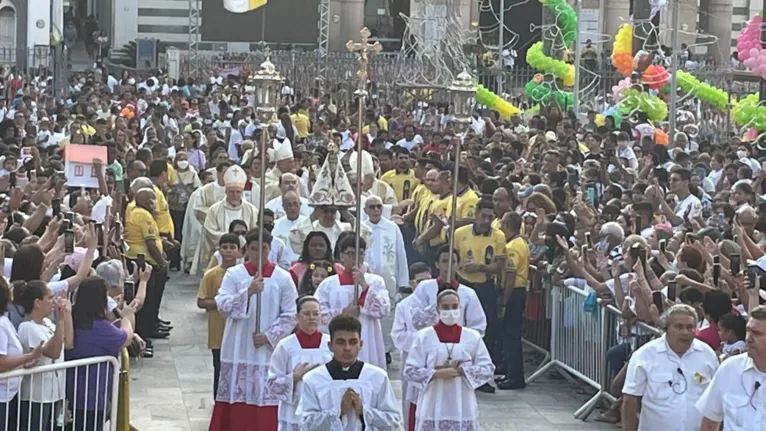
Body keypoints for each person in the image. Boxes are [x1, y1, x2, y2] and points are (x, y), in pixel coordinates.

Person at [210, 229, 298, 430]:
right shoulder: (234, 274)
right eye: (254, 248)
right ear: (246, 249)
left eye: (264, 249)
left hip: (267, 348)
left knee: (265, 395)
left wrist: (269, 336)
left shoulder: (283, 277)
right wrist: (248, 292)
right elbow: (223, 306)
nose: (259, 253)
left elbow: (292, 313)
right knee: (236, 393)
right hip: (238, 343)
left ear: (270, 248)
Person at [404, 289, 495, 430]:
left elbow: (487, 368)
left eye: (454, 306)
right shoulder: (424, 336)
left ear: (460, 308)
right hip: (433, 402)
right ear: (437, 309)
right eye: (445, 307)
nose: (450, 311)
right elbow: (410, 370)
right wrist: (435, 374)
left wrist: (462, 371)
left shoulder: (472, 336)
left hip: (462, 402)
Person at [621, 304, 719, 431]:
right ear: (667, 328)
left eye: (690, 327)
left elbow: (717, 400)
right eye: (679, 327)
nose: (685, 332)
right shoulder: (645, 355)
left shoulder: (707, 355)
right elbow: (630, 400)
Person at [297, 314, 400, 430]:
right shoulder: (313, 379)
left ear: (360, 345)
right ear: (330, 346)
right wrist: (338, 412)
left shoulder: (377, 377)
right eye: (341, 342)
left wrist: (364, 411)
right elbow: (305, 425)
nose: (347, 348)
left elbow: (394, 421)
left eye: (353, 342)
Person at [67, 277, 136, 431]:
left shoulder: (73, 318)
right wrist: (126, 317)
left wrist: (119, 314)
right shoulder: (99, 327)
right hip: (91, 395)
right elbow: (125, 338)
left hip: (72, 390)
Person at [314, 236, 390, 369]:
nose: (356, 258)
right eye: (350, 254)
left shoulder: (375, 281)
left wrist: (364, 286)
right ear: (341, 256)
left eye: (360, 254)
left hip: (367, 339)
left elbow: (383, 310)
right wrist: (342, 313)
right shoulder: (328, 284)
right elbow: (317, 315)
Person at [266, 296, 333, 430]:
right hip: (293, 414)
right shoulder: (285, 346)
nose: (312, 318)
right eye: (307, 314)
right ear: (297, 317)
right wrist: (295, 377)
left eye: (316, 313)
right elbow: (272, 385)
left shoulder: (330, 343)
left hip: (324, 411)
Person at [15, 281, 73, 430]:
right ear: (37, 303)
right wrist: (59, 320)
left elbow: (68, 342)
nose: (53, 301)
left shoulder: (47, 322)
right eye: (50, 297)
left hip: (55, 393)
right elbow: (53, 352)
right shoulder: (27, 327)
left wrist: (66, 313)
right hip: (37, 396)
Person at [697, 305, 766, 430]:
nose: (748, 339)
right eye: (748, 331)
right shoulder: (730, 368)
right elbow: (709, 422)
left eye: (757, 334)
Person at [362, 195, 409, 363]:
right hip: (367, 278)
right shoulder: (361, 228)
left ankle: (386, 349)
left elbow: (400, 254)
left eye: (378, 207)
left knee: (388, 314)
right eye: (372, 207)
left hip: (389, 277)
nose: (375, 210)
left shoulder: (392, 228)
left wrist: (403, 281)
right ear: (365, 210)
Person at [197, 233, 240, 398]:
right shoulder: (211, 275)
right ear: (219, 250)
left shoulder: (243, 274)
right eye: (225, 247)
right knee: (219, 367)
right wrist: (223, 303)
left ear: (239, 251)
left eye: (232, 247)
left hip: (237, 331)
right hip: (218, 331)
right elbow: (201, 301)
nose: (228, 251)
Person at [195, 165, 259, 275]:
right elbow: (210, 233)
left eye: (238, 192)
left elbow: (254, 232)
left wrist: (243, 243)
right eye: (232, 192)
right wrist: (232, 240)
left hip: (244, 256)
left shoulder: (251, 210)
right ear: (226, 191)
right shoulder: (214, 209)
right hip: (221, 255)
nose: (235, 195)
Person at [390, 262, 431, 430]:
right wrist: (424, 339)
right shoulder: (403, 306)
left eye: (429, 281)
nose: (425, 286)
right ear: (412, 283)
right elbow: (397, 335)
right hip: (412, 358)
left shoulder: (439, 303)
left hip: (435, 359)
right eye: (421, 281)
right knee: (411, 400)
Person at [0, 277, 44, 428]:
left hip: (9, 394)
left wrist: (23, 363)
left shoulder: (4, 321)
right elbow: (1, 362)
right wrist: (29, 356)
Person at [124, 187, 167, 341]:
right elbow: (150, 242)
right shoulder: (143, 215)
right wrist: (161, 262)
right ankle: (145, 332)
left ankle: (148, 328)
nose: (155, 203)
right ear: (148, 201)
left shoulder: (135, 211)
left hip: (138, 258)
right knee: (147, 300)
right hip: (144, 260)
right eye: (153, 199)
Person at [497, 211, 530, 390]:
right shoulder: (519, 242)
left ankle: (516, 376)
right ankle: (510, 372)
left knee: (512, 336)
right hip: (517, 292)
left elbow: (510, 275)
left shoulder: (513, 247)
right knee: (509, 335)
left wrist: (503, 301)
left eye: (502, 224)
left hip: (514, 292)